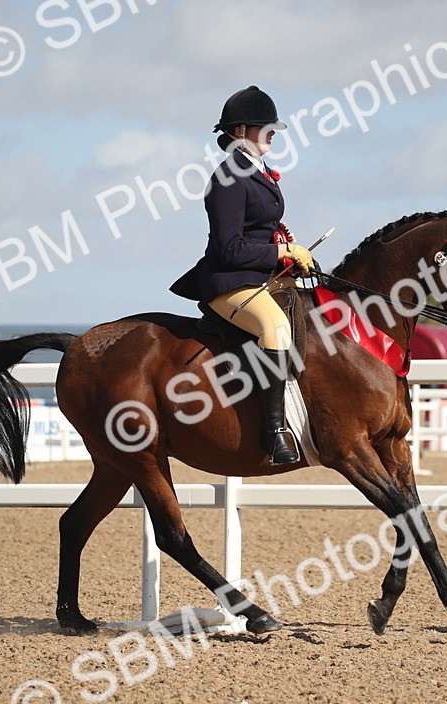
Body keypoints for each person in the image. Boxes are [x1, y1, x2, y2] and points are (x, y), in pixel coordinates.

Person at [170, 86, 315, 465]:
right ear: (241, 131)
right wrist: (282, 251)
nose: (273, 134)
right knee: (275, 329)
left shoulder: (258, 172)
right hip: (228, 283)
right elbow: (229, 248)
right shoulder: (228, 178)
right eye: (266, 128)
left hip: (259, 277)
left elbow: (258, 227)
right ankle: (274, 432)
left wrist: (282, 240)